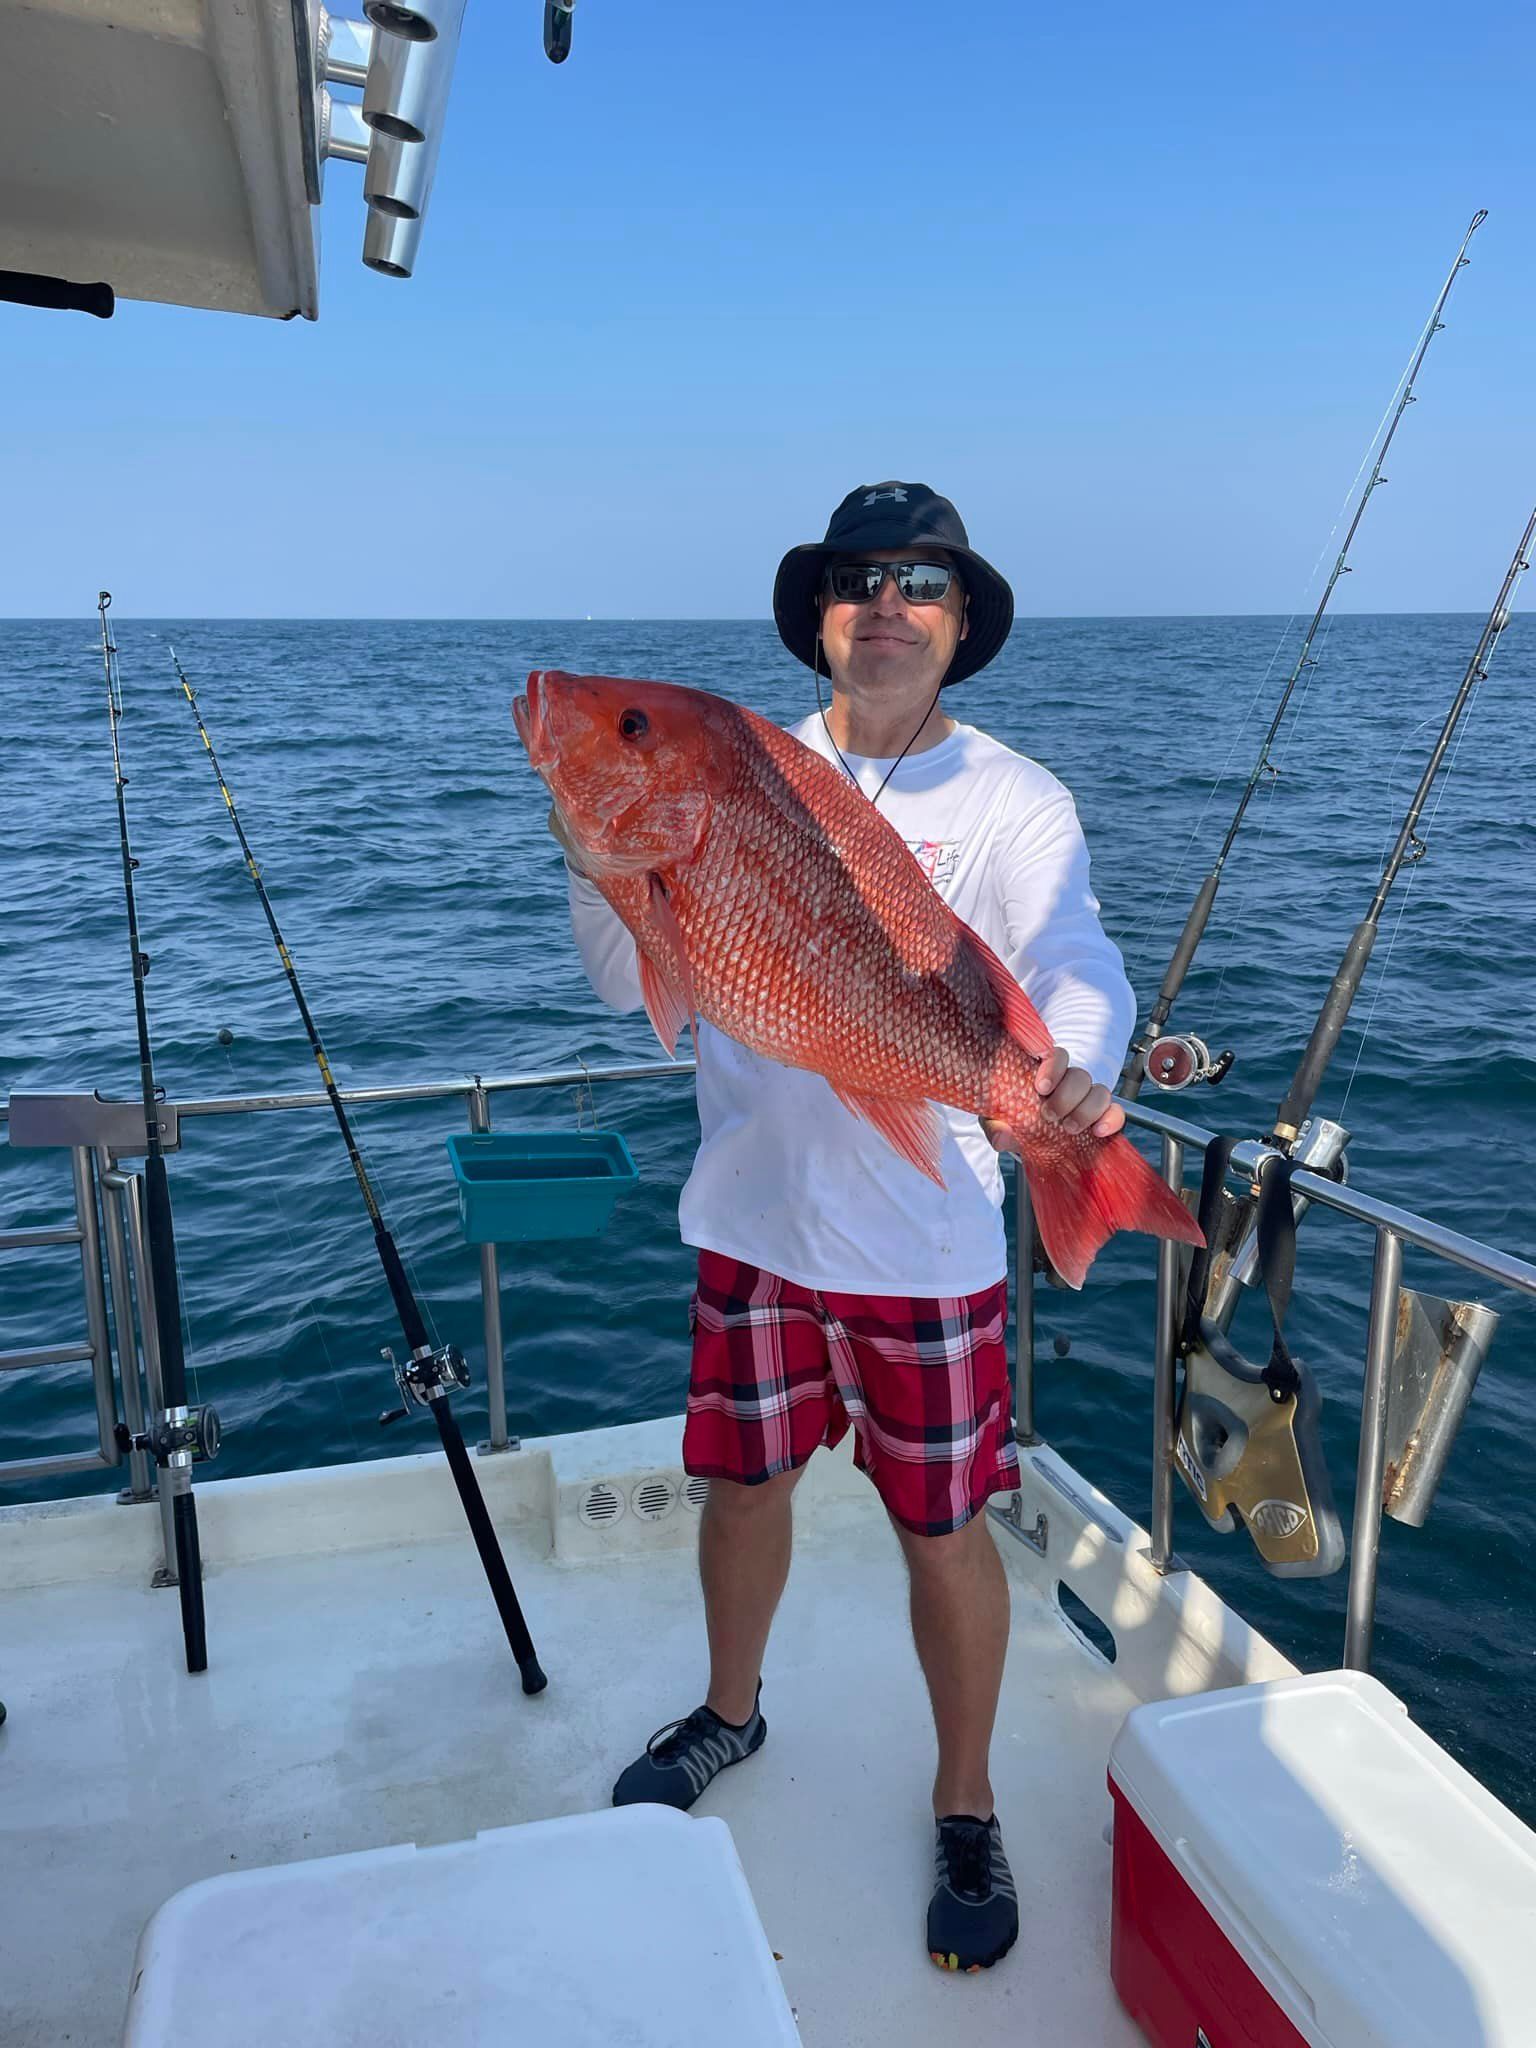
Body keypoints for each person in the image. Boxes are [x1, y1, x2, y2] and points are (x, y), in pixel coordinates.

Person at [551, 482, 1135, 1974]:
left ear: (956, 626)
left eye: (922, 583)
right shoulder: (740, 764)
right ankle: (731, 1713)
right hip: (751, 1221)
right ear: (819, 615)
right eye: (859, 579)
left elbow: (1069, 955)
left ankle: (966, 1800)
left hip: (924, 1247)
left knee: (943, 1532)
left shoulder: (1013, 800)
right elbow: (633, 991)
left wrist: (1066, 1073)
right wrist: (600, 855)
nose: (888, 604)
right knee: (740, 1496)